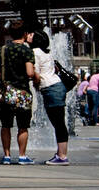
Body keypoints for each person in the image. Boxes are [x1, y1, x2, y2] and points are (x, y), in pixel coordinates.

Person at [0, 23, 36, 165]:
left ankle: (6, 155)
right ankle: (22, 156)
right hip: (23, 92)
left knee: (5, 125)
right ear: (24, 34)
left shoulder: (2, 50)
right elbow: (30, 72)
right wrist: (37, 76)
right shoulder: (26, 51)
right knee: (23, 126)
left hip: (6, 92)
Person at [29, 31, 69, 165]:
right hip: (58, 86)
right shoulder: (47, 52)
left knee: (58, 123)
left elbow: (36, 74)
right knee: (59, 122)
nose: (28, 36)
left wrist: (35, 82)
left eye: (31, 35)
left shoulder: (34, 52)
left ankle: (62, 156)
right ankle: (60, 153)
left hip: (50, 89)